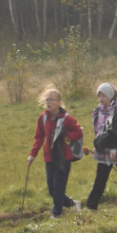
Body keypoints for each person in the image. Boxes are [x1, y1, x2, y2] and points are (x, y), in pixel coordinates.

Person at [28, 88, 83, 218]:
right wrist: (32, 155)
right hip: (49, 157)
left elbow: (79, 133)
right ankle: (73, 204)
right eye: (47, 99)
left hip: (64, 157)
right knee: (52, 189)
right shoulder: (43, 118)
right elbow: (39, 138)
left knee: (58, 187)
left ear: (59, 102)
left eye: (51, 99)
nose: (48, 102)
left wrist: (66, 135)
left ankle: (56, 214)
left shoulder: (67, 118)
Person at [85, 82, 117, 210]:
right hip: (104, 152)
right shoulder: (97, 111)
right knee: (100, 179)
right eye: (99, 96)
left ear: (110, 95)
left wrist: (115, 148)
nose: (101, 99)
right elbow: (97, 131)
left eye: (103, 96)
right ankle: (91, 206)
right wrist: (98, 145)